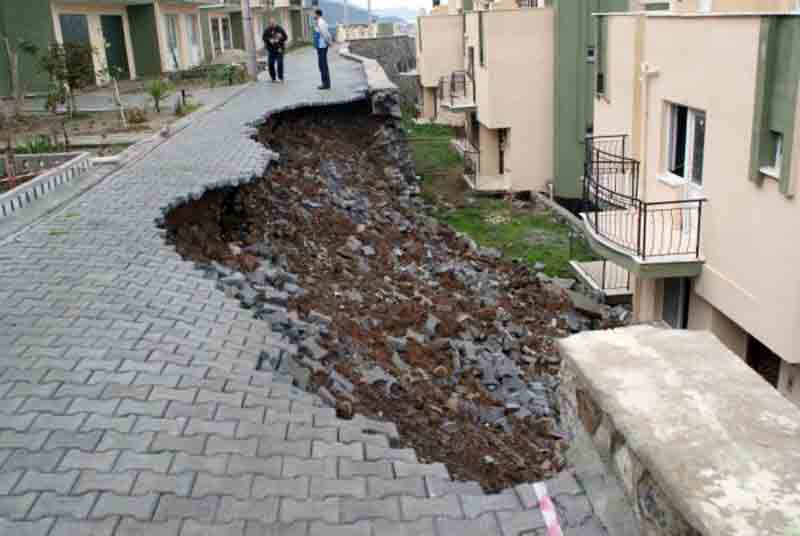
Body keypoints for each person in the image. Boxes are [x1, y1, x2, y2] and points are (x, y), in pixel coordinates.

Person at [263, 17, 288, 83]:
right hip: (271, 50)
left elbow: (285, 37)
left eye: (273, 23)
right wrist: (269, 40)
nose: (272, 24)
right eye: (271, 23)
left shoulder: (280, 29)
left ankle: (280, 77)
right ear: (269, 24)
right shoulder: (267, 30)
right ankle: (273, 77)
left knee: (280, 63)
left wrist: (280, 38)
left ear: (275, 22)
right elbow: (264, 37)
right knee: (270, 64)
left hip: (279, 49)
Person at [313, 9, 332, 90]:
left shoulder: (321, 22)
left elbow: (325, 33)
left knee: (323, 65)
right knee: (322, 65)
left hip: (322, 46)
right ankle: (325, 83)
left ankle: (326, 84)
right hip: (320, 46)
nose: (313, 16)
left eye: (314, 14)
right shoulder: (318, 22)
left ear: (317, 14)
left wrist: (328, 42)